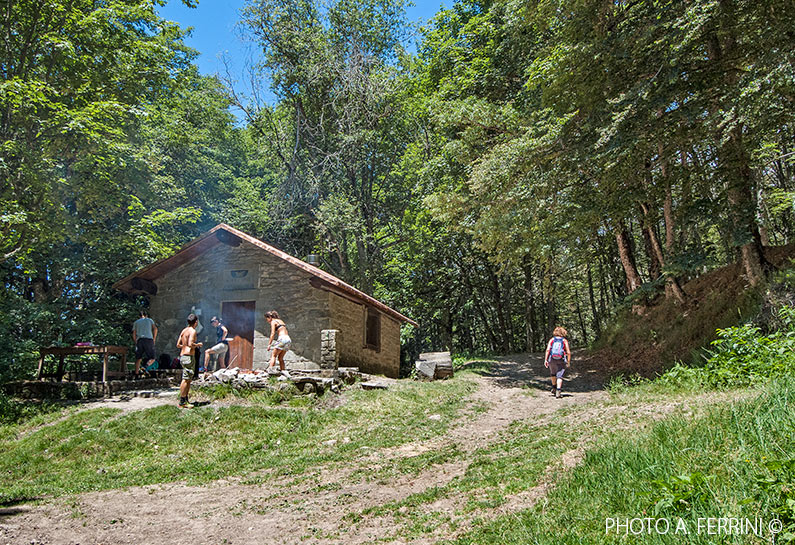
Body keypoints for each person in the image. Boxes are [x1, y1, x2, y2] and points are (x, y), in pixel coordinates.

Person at [176, 313, 202, 408]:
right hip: (188, 357)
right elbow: (191, 344)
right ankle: (182, 401)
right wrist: (198, 344)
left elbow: (178, 345)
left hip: (182, 356)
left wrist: (185, 346)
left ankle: (185, 399)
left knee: (188, 379)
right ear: (196, 322)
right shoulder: (192, 331)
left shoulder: (184, 330)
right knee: (186, 379)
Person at [544, 326, 572, 399]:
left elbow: (547, 350)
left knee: (553, 374)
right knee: (559, 375)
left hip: (552, 359)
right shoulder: (564, 341)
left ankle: (554, 388)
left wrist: (546, 360)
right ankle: (558, 391)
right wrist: (568, 361)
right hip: (561, 359)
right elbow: (568, 352)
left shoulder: (552, 340)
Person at [132, 310, 158, 375]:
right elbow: (155, 329)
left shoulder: (136, 322)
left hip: (140, 340)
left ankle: (136, 373)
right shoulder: (150, 320)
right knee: (153, 358)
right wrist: (154, 339)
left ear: (139, 316)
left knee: (138, 358)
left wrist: (136, 341)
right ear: (146, 315)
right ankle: (145, 366)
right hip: (148, 339)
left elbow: (134, 334)